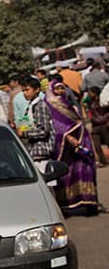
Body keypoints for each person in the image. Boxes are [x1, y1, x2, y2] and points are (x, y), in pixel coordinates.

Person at [46, 80, 100, 215]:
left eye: (62, 89)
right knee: (65, 173)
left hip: (81, 141)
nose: (60, 92)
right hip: (64, 145)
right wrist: (69, 137)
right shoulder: (51, 104)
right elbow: (57, 125)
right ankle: (66, 204)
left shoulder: (67, 103)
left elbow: (76, 121)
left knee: (85, 169)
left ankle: (89, 201)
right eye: (57, 89)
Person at [19, 77, 55, 164]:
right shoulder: (30, 106)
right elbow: (24, 126)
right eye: (23, 91)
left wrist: (24, 133)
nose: (25, 93)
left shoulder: (40, 106)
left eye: (27, 90)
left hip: (41, 152)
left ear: (37, 90)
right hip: (32, 151)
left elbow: (43, 131)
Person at [84, 86, 109, 167]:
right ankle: (103, 161)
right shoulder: (90, 101)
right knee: (97, 145)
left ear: (95, 93)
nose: (89, 94)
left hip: (104, 124)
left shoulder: (103, 100)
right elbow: (83, 103)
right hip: (95, 126)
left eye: (90, 92)